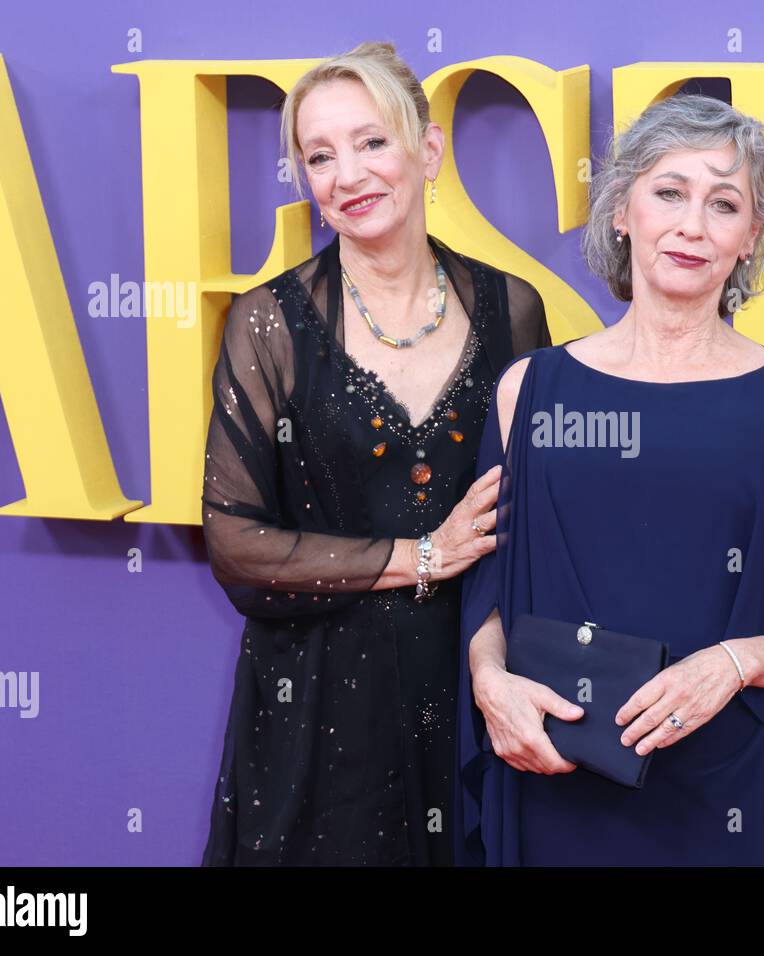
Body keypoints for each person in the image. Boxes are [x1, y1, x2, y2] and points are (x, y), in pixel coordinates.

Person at [456, 93, 764, 865]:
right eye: (669, 192)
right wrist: (491, 685)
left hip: (741, 792)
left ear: (750, 237)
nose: (692, 225)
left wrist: (733, 663)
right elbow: (484, 599)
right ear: (622, 209)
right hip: (559, 783)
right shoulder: (529, 390)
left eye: (723, 204)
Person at [199, 40, 550, 866]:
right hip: (316, 706)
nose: (346, 175)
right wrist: (422, 554)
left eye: (370, 142)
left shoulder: (516, 310)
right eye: (319, 155)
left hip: (473, 690)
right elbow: (235, 544)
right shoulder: (267, 324)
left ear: (427, 151)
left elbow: (538, 518)